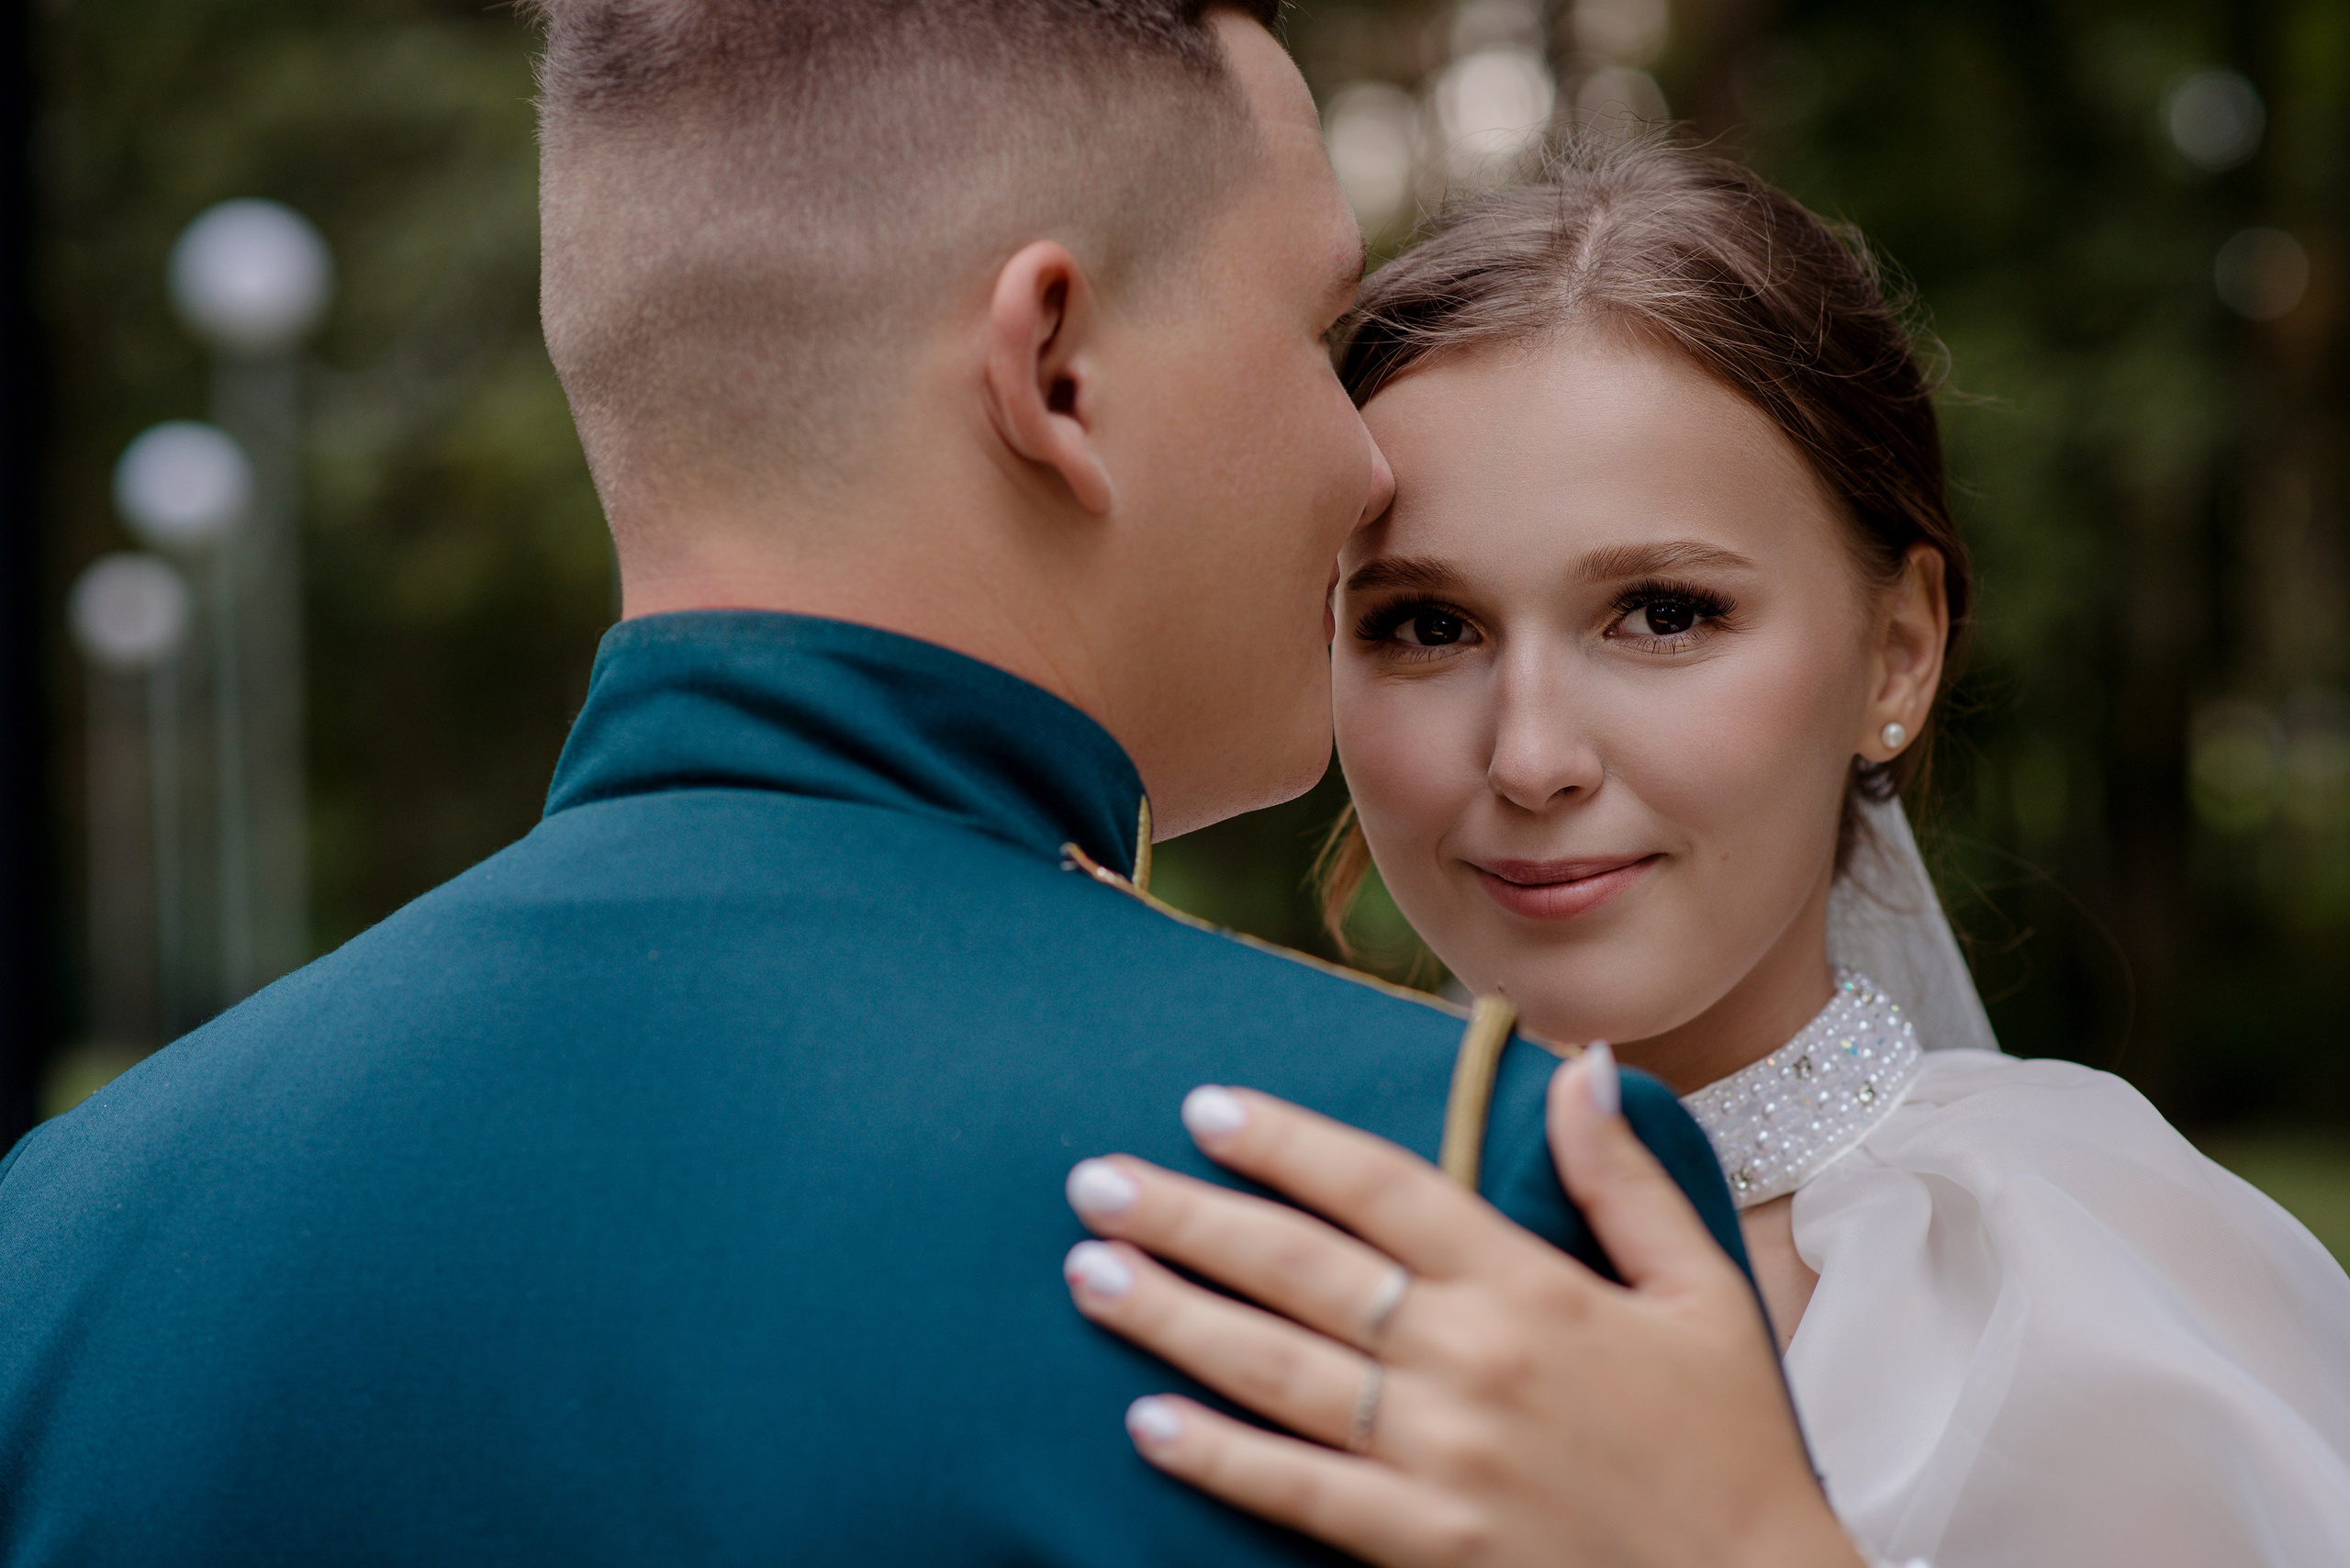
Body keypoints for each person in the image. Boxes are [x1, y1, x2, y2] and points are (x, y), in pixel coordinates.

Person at [0, 11, 1852, 1565]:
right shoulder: (1438, 1210)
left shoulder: (59, 1248)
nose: (1359, 460)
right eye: (1311, 327)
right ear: (1050, 368)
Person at [1061, 140, 2350, 1567]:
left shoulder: (2088, 1286)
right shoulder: (1225, 1238)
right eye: (1426, 626)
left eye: (1663, 613)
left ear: (1899, 652)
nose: (1532, 755)